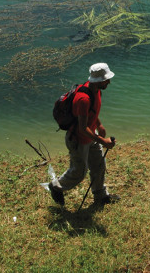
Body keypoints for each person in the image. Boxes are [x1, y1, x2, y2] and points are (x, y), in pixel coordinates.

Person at [49, 62, 119, 207]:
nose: (109, 82)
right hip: (78, 139)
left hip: (90, 135)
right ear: (99, 81)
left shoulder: (96, 90)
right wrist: (102, 140)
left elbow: (90, 113)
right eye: (106, 79)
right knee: (79, 172)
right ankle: (56, 187)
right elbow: (82, 127)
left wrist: (99, 125)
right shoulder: (83, 99)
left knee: (99, 165)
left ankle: (101, 196)